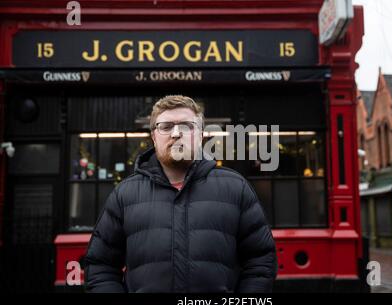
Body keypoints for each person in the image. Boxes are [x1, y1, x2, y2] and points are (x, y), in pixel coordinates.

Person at [85, 95, 277, 293]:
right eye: (166, 126)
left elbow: (261, 262)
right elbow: (100, 267)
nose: (176, 133)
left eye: (186, 126)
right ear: (153, 136)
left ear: (201, 135)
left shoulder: (236, 187)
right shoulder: (124, 194)